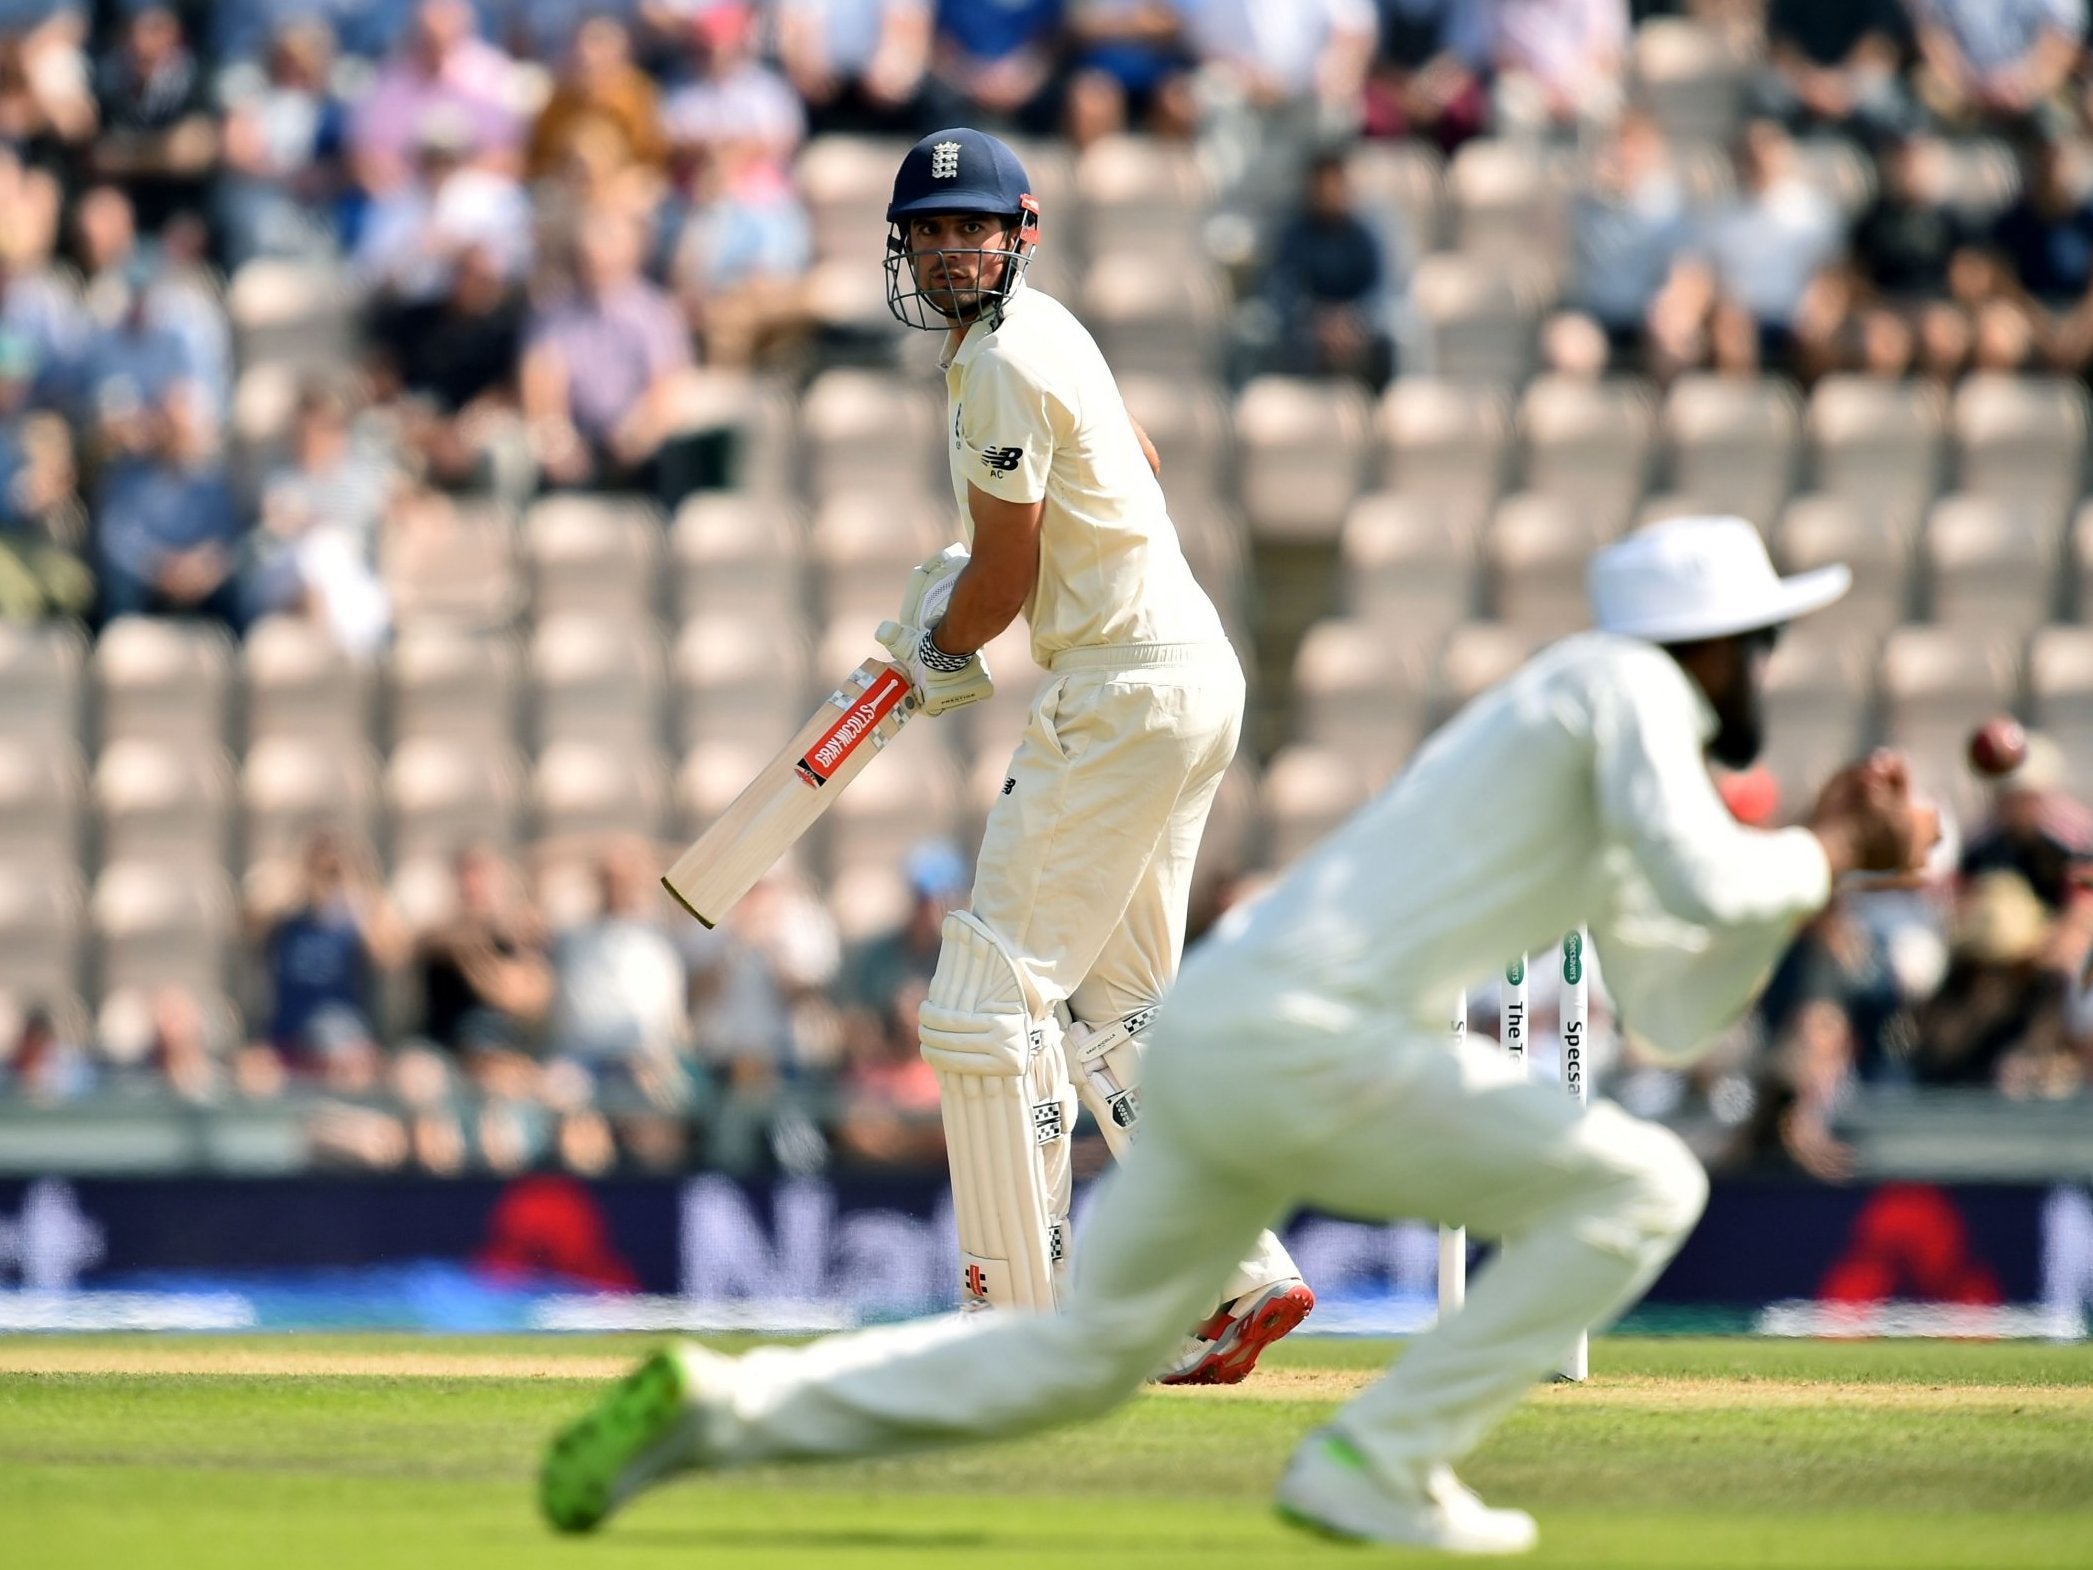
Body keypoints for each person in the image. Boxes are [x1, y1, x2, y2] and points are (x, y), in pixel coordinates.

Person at [539, 515, 1937, 1552]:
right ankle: (1380, 1457)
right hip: (1312, 1035)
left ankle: (711, 1413)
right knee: (1646, 1186)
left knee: (1074, 1357)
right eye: (1759, 639)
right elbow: (1717, 883)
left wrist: (1826, 864)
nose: (1765, 663)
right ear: (1708, 644)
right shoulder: (1620, 688)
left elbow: (1684, 995)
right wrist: (1830, 843)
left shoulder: (1623, 741)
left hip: (1225, 1029)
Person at [873, 128, 1308, 1379]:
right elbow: (1136, 464)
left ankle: (1018, 1335)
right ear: (905, 247)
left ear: (1019, 232)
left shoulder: (1002, 361)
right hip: (1190, 676)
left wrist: (937, 648)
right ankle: (1238, 1280)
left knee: (982, 1001)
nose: (952, 251)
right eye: (931, 231)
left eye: (972, 227)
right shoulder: (1052, 331)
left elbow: (1005, 581)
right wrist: (955, 614)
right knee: (1117, 1014)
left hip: (1119, 688)